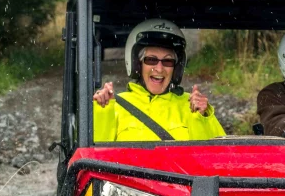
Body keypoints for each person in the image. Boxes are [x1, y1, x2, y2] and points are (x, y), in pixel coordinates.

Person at [93, 19, 226, 142]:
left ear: (176, 68)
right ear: (138, 64)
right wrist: (103, 111)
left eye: (168, 61)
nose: (159, 68)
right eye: (151, 59)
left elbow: (218, 158)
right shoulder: (115, 105)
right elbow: (94, 159)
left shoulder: (192, 105)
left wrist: (202, 118)